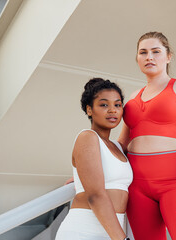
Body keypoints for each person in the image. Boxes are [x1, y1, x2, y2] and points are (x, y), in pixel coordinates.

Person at [118, 31, 176, 240]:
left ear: (168, 57)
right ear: (137, 59)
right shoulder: (133, 97)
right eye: (143, 52)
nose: (149, 57)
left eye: (155, 51)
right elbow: (121, 145)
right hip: (137, 185)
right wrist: (87, 167)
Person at [56, 78, 133, 240]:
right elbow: (95, 195)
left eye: (117, 105)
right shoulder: (87, 137)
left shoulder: (118, 147)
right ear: (89, 110)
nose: (112, 110)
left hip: (113, 230)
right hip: (85, 230)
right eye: (104, 105)